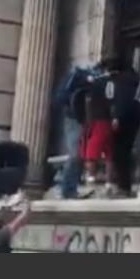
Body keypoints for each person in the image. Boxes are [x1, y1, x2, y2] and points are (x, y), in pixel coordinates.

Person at [52, 64, 101, 199]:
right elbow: (61, 98)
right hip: (75, 118)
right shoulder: (80, 76)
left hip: (85, 118)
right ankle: (67, 189)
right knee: (76, 154)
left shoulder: (87, 77)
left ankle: (72, 188)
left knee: (81, 153)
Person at [106, 55, 140, 197]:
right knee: (126, 152)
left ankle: (123, 187)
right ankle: (127, 185)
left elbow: (122, 101)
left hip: (124, 120)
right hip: (136, 119)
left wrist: (117, 117)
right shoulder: (135, 78)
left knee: (120, 154)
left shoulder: (121, 80)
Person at [82, 66, 116, 196]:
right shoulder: (113, 82)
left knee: (91, 154)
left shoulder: (95, 83)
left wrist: (88, 121)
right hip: (109, 121)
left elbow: (88, 102)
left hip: (97, 121)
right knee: (109, 154)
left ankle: (91, 182)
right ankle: (109, 184)